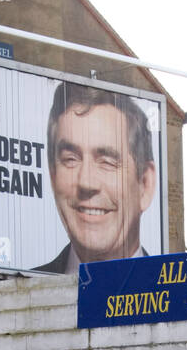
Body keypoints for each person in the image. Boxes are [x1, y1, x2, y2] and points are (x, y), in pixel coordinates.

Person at [33, 82, 157, 274]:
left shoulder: (181, 299)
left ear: (145, 184)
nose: (87, 182)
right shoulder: (16, 296)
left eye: (107, 162)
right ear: (52, 175)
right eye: (70, 159)